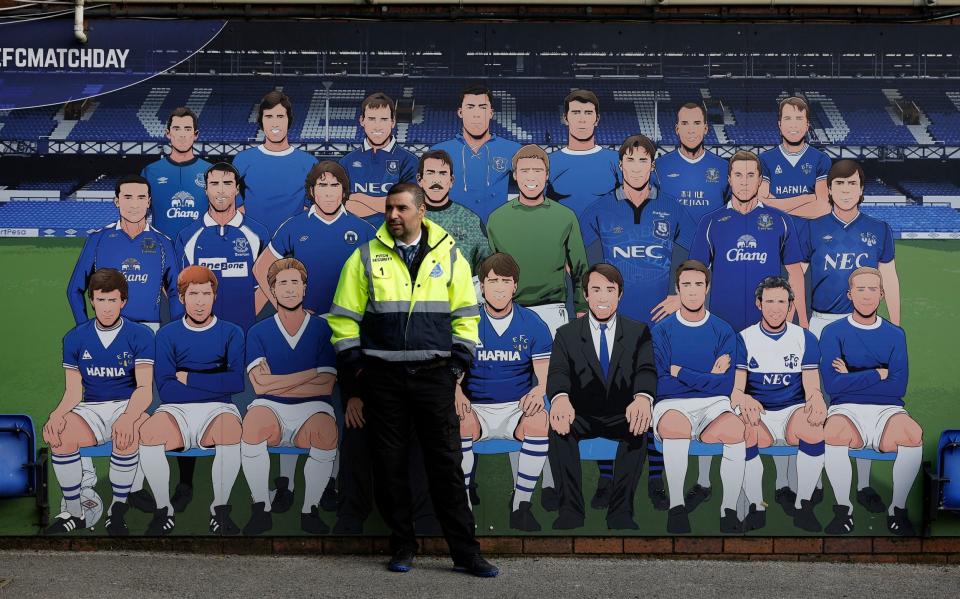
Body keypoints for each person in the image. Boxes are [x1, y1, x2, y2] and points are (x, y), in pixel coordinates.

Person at [329, 183, 498, 577]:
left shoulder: (450, 253)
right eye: (389, 208)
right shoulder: (366, 255)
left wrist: (457, 367)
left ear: (421, 211)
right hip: (383, 380)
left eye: (402, 208)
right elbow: (342, 318)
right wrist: (358, 369)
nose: (393, 215)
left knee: (446, 467)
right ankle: (402, 546)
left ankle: (466, 554)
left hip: (434, 377)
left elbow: (467, 315)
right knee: (389, 467)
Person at [579, 133, 697, 511]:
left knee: (657, 401)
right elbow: (591, 269)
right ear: (620, 166)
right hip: (613, 325)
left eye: (643, 160)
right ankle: (608, 480)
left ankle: (657, 479)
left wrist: (679, 296)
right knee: (608, 401)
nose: (636, 167)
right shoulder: (598, 211)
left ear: (652, 165)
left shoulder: (673, 209)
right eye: (630, 160)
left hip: (660, 327)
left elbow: (693, 259)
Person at [799, 159, 901, 510]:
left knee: (864, 401)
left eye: (852, 184)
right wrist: (802, 322)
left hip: (863, 326)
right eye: (838, 184)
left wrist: (895, 325)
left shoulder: (879, 228)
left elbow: (889, 277)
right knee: (817, 401)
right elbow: (797, 275)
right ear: (829, 189)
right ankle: (812, 483)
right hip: (823, 321)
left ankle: (864, 484)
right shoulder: (812, 228)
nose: (845, 190)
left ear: (861, 189)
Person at [44, 269, 154, 536]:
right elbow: (73, 392)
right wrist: (57, 414)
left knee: (130, 431)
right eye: (101, 301)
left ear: (123, 302)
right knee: (59, 434)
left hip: (127, 404)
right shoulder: (75, 337)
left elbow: (144, 389)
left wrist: (129, 416)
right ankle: (74, 512)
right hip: (91, 408)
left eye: (113, 301)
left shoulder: (140, 335)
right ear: (92, 301)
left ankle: (117, 511)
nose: (106, 308)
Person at [546, 263, 657, 531]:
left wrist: (643, 397)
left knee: (639, 427)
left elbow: (646, 370)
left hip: (622, 412)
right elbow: (558, 373)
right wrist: (560, 397)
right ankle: (570, 511)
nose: (603, 297)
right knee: (558, 429)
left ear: (620, 294)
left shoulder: (638, 332)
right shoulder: (566, 334)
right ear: (586, 295)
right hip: (581, 413)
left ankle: (621, 513)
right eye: (596, 289)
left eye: (610, 289)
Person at [137, 265, 246, 536]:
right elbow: (167, 390)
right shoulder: (166, 335)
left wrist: (188, 378)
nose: (200, 301)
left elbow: (235, 384)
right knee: (149, 432)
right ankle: (164, 510)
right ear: (182, 297)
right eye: (193, 294)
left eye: (206, 294)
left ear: (214, 296)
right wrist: (213, 383)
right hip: (176, 410)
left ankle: (219, 510)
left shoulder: (232, 332)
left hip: (219, 410)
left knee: (232, 430)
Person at [820, 267, 921, 536]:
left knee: (913, 434)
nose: (867, 296)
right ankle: (844, 510)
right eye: (861, 289)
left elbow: (898, 386)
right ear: (849, 294)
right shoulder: (832, 332)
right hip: (845, 408)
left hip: (887, 410)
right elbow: (832, 385)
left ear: (882, 294)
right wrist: (878, 372)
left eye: (873, 289)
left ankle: (897, 509)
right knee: (833, 432)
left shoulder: (895, 335)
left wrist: (851, 375)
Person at [241, 258, 339, 535]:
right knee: (253, 422)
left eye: (295, 282)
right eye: (282, 283)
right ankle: (261, 508)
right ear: (272, 291)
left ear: (304, 288)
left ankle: (310, 510)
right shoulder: (259, 331)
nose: (289, 288)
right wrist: (309, 373)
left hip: (313, 409)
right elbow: (260, 387)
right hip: (270, 407)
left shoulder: (322, 329)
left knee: (325, 429)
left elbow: (326, 385)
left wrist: (277, 382)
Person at [458, 253, 552, 531]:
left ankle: (521, 505)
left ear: (515, 286)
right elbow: (455, 370)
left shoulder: (532, 322)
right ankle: (462, 507)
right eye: (493, 280)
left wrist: (539, 390)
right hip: (477, 407)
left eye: (505, 281)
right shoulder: (468, 321)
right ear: (482, 285)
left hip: (515, 407)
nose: (499, 287)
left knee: (539, 418)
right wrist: (456, 393)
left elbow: (544, 375)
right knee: (457, 419)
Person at [651, 260, 743, 534]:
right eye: (686, 285)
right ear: (677, 290)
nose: (692, 291)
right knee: (675, 427)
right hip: (671, 405)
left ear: (707, 288)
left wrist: (680, 371)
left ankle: (728, 510)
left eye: (698, 285)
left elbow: (724, 386)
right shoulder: (662, 331)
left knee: (736, 429)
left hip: (713, 406)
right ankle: (677, 507)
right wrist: (707, 376)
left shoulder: (723, 330)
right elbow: (662, 384)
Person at [735, 276, 828, 532]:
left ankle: (803, 505)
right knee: (743, 432)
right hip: (760, 413)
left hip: (791, 412)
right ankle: (756, 505)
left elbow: (811, 387)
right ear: (758, 304)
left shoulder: (805, 338)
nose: (775, 308)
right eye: (769, 301)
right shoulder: (744, 338)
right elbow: (736, 389)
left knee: (814, 426)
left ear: (790, 306)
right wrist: (743, 398)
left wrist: (817, 399)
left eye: (781, 302)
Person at [689, 150, 808, 333]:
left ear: (760, 179)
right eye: (738, 175)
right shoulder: (710, 222)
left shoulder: (780, 220)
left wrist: (799, 321)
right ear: (729, 179)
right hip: (722, 326)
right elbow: (695, 275)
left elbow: (795, 273)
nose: (744, 181)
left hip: (769, 326)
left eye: (750, 175)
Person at [487, 144, 589, 335]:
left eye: (538, 170)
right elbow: (488, 273)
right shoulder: (497, 219)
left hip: (552, 310)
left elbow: (580, 269)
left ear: (547, 175)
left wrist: (582, 311)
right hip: (508, 310)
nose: (531, 177)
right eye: (525, 171)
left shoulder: (566, 217)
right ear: (515, 175)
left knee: (553, 366)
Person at [68, 174, 182, 330]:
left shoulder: (164, 243)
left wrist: (175, 330)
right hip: (107, 329)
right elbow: (74, 289)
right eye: (128, 197)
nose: (134, 204)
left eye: (141, 197)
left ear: (148, 202)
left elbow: (176, 291)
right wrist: (83, 328)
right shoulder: (97, 240)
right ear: (117, 201)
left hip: (150, 330)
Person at [175, 162, 270, 332]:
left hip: (245, 331)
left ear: (236, 188)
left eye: (227, 184)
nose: (221, 190)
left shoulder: (258, 233)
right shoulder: (187, 236)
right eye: (214, 184)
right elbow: (181, 288)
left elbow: (267, 284)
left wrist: (246, 314)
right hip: (201, 332)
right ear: (205, 190)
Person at [430, 83, 521, 224]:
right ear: (460, 112)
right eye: (470, 107)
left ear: (491, 113)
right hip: (452, 235)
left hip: (495, 235)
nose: (477, 114)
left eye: (483, 107)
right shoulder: (439, 151)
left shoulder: (513, 150)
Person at [232, 91, 318, 234]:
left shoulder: (309, 163)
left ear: (288, 120)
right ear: (261, 121)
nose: (275, 122)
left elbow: (315, 206)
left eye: (280, 116)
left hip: (294, 245)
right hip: (252, 243)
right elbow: (232, 199)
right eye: (269, 116)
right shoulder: (243, 160)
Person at [339, 92, 419, 226]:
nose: (377, 126)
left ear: (393, 122)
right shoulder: (346, 162)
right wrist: (385, 203)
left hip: (393, 239)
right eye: (371, 118)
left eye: (383, 119)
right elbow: (343, 206)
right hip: (354, 237)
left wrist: (359, 198)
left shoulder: (409, 161)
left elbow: (405, 207)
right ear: (362, 121)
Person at [546, 89, 620, 217]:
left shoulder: (617, 161)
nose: (582, 119)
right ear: (565, 118)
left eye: (588, 113)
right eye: (576, 112)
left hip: (605, 236)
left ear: (597, 119)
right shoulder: (548, 162)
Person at [140, 107, 211, 238]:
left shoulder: (211, 172)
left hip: (200, 253)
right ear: (168, 133)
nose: (182, 134)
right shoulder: (150, 172)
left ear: (196, 134)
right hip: (164, 252)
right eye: (177, 128)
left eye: (188, 129)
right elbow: (137, 215)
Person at [417, 149, 491, 274]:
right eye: (430, 173)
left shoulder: (470, 220)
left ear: (451, 181)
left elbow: (488, 268)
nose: (437, 180)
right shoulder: (405, 219)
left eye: (442, 173)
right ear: (420, 180)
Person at [654, 102, 729, 224]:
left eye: (697, 123)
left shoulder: (724, 168)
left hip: (711, 242)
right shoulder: (658, 167)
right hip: (670, 242)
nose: (691, 130)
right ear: (677, 129)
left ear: (705, 129)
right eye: (685, 123)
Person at [758, 96, 831, 219]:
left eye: (799, 119)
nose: (793, 125)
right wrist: (807, 198)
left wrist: (776, 207)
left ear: (807, 125)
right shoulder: (764, 159)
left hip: (808, 236)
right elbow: (761, 203)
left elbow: (823, 207)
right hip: (777, 235)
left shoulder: (821, 159)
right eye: (788, 119)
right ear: (780, 125)